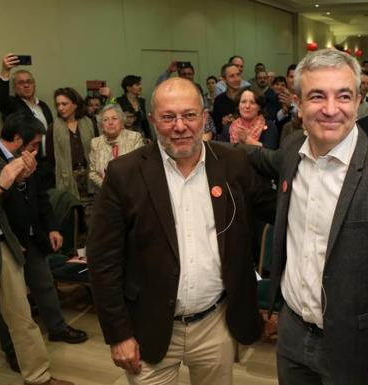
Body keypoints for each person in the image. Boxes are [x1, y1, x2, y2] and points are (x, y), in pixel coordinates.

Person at [245, 48, 368, 385]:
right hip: (291, 334)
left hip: (355, 345)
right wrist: (202, 147)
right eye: (317, 96)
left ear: (360, 100)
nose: (331, 110)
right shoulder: (291, 152)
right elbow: (259, 159)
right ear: (298, 103)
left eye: (343, 96)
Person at [87, 77, 275, 385]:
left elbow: (276, 207)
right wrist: (118, 333)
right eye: (168, 117)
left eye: (189, 115)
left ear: (204, 117)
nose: (180, 126)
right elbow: (103, 260)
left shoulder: (232, 163)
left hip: (216, 323)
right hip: (149, 325)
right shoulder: (125, 174)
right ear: (152, 120)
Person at [0, 113, 88, 374]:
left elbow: (41, 198)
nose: (36, 150)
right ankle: (13, 351)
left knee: (44, 283)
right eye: (33, 144)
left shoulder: (28, 160)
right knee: (8, 303)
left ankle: (57, 328)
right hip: (7, 240)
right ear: (18, 139)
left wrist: (53, 228)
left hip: (34, 236)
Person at [0, 53, 55, 189]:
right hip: (24, 163)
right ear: (14, 87)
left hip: (46, 164)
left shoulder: (43, 106)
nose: (26, 85)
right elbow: (0, 99)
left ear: (34, 85)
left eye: (29, 82)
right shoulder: (12, 104)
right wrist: (5, 70)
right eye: (21, 83)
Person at [48, 87, 95, 199]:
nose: (60, 108)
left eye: (64, 104)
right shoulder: (53, 128)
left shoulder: (90, 123)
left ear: (75, 104)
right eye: (58, 104)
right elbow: (51, 158)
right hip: (67, 177)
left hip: (90, 175)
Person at [88, 104, 144, 190]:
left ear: (122, 123)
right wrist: (109, 188)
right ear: (101, 126)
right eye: (105, 120)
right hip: (105, 193)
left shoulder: (134, 138)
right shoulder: (95, 143)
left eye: (114, 118)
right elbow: (92, 173)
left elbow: (139, 168)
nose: (110, 122)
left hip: (132, 191)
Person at [116, 75, 152, 140]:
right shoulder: (119, 100)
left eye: (140, 84)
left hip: (140, 136)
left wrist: (149, 137)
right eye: (137, 85)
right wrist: (110, 96)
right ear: (128, 88)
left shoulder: (141, 101)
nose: (140, 87)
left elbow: (144, 121)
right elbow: (111, 102)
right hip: (124, 137)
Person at [212, 63, 241, 135]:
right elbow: (216, 128)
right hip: (227, 141)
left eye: (238, 75)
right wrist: (223, 123)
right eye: (232, 76)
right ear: (224, 79)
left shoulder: (248, 97)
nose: (237, 79)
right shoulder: (219, 100)